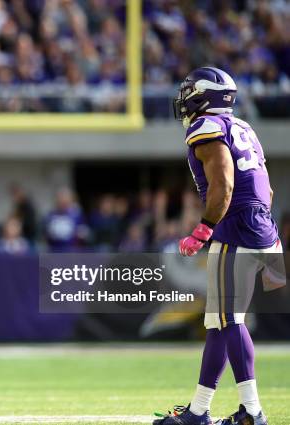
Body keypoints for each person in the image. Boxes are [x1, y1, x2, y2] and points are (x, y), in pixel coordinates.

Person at [154, 67, 284, 425]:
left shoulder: (206, 127)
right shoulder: (243, 127)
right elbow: (268, 191)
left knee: (229, 319)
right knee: (218, 320)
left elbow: (224, 184)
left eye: (189, 92)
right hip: (261, 226)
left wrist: (204, 228)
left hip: (236, 227)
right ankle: (198, 410)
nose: (183, 99)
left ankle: (253, 411)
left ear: (203, 95)